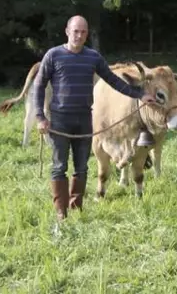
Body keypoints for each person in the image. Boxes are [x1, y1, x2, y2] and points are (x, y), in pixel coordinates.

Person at [33, 15, 157, 220]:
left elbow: (113, 81)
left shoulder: (93, 57)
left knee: (82, 166)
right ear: (67, 31)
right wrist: (40, 117)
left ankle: (76, 207)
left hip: (84, 120)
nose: (79, 35)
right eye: (75, 31)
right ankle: (61, 213)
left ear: (87, 34)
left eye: (83, 32)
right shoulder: (53, 55)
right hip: (59, 120)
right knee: (59, 166)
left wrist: (140, 95)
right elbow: (39, 86)